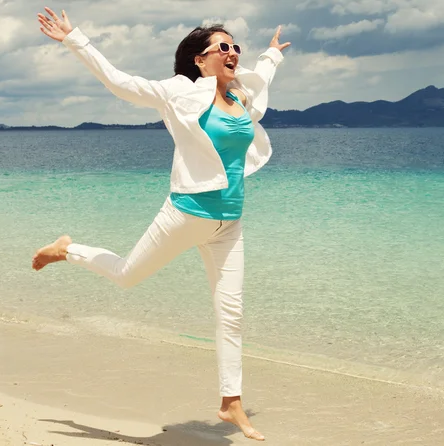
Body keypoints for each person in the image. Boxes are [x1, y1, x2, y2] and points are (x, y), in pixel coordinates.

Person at [33, 6, 291, 441]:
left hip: (229, 222)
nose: (232, 53)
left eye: (236, 47)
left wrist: (270, 56)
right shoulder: (180, 93)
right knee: (127, 275)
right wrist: (75, 39)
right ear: (199, 60)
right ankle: (67, 249)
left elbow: (262, 89)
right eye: (223, 47)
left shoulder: (240, 96)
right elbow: (120, 82)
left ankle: (231, 404)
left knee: (231, 315)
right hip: (187, 214)